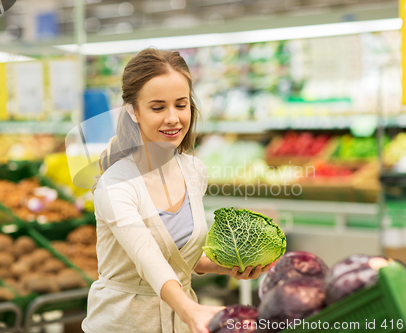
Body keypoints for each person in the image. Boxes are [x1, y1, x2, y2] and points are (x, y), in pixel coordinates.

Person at [82, 48, 272, 333]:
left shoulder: (194, 171)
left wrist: (225, 265)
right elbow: (148, 258)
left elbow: (182, 257)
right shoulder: (115, 185)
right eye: (158, 108)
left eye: (181, 105)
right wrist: (190, 309)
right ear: (133, 111)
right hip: (123, 325)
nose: (173, 118)